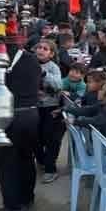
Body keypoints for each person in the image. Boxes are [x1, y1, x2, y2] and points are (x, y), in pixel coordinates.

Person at [0, 38, 42, 211]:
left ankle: (13, 207)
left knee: (7, 163)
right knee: (27, 158)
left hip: (6, 117)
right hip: (30, 115)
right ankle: (28, 200)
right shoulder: (31, 59)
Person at [33, 39, 66, 183]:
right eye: (39, 47)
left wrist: (44, 73)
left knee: (51, 138)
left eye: (45, 48)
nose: (40, 50)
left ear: (51, 54)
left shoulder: (53, 67)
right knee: (35, 138)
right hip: (34, 107)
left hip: (50, 107)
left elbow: (59, 84)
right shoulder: (31, 65)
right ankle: (41, 161)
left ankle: (50, 168)